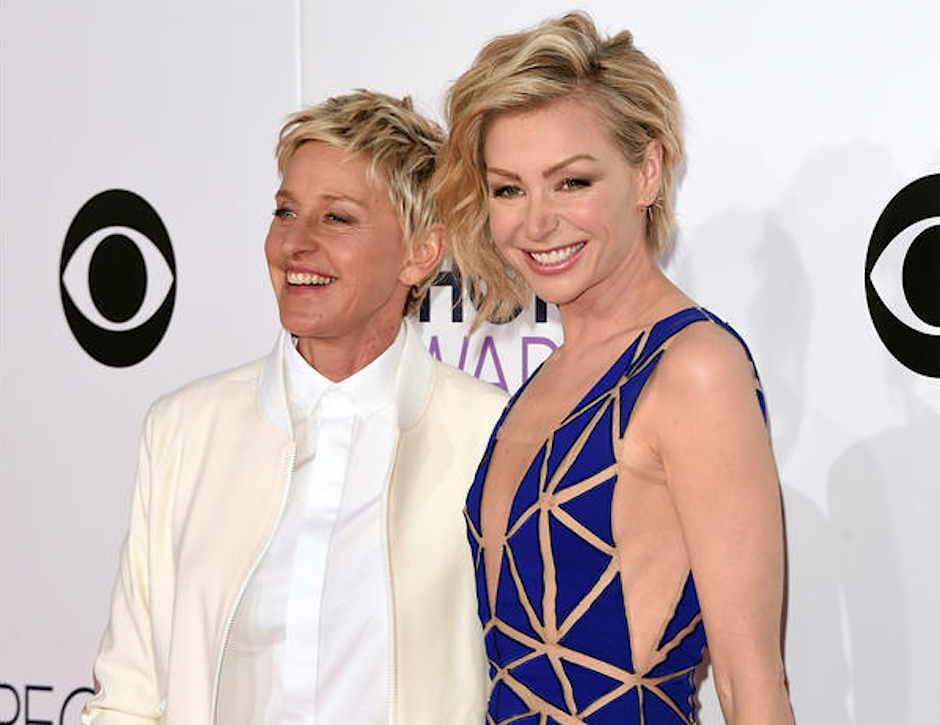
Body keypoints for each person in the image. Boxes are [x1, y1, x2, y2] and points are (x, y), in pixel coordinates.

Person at [82, 90, 507, 725]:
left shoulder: (495, 436)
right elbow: (128, 697)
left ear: (420, 252)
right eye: (285, 212)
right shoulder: (184, 430)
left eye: (336, 218)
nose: (294, 245)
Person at [435, 13, 795, 725]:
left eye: (570, 182)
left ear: (647, 172)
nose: (536, 223)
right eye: (509, 189)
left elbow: (753, 689)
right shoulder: (548, 379)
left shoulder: (694, 370)